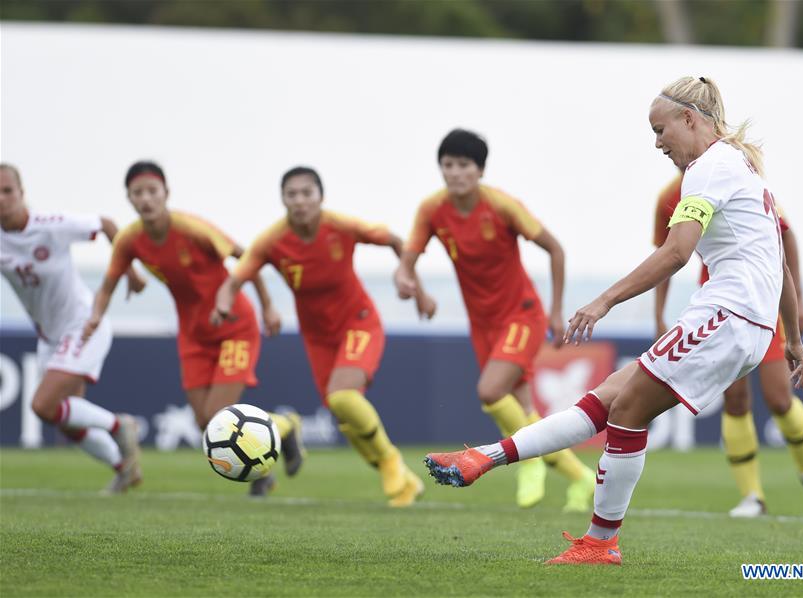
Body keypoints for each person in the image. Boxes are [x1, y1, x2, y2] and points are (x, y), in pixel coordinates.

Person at [424, 76, 803, 565]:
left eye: (659, 129)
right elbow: (777, 265)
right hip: (740, 321)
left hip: (727, 316)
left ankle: (600, 542)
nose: (657, 143)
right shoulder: (743, 170)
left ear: (689, 119)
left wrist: (603, 301)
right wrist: (793, 338)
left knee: (627, 413)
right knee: (606, 398)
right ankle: (483, 457)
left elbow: (675, 252)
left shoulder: (708, 169)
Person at [395, 129, 595, 511]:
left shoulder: (502, 206)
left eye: (463, 165)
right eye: (448, 165)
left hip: (521, 314)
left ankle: (530, 465)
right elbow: (406, 266)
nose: (455, 173)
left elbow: (555, 249)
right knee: (522, 411)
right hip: (482, 322)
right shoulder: (431, 209)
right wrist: (413, 288)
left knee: (489, 391)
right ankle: (579, 477)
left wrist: (555, 311)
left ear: (480, 170)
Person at [82, 161, 303, 497]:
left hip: (234, 326)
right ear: (129, 198)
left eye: (152, 191)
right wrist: (96, 315)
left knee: (218, 416)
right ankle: (266, 465)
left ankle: (286, 426)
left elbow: (248, 258)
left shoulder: (192, 229)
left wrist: (268, 305)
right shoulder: (130, 240)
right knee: (204, 423)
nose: (146, 199)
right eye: (137, 193)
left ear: (165, 194)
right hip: (193, 334)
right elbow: (108, 284)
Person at [214, 166, 426, 507]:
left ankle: (390, 461)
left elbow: (398, 242)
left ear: (320, 197)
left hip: (359, 322)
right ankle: (405, 481)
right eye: (291, 194)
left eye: (306, 193)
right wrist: (224, 303)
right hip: (317, 338)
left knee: (343, 397)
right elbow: (235, 280)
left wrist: (415, 286)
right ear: (283, 199)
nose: (299, 201)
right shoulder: (272, 240)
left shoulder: (341, 226)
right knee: (341, 412)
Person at [654, 174, 803, 518]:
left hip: (762, 298)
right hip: (718, 302)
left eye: (665, 133)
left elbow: (785, 236)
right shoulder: (669, 195)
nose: (663, 143)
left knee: (780, 398)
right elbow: (666, 253)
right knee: (734, 399)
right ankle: (753, 496)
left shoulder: (734, 175)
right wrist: (658, 316)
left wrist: (800, 301)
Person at [0, 163, 143, 493]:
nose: (3, 198)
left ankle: (120, 425)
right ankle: (124, 469)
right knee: (64, 419)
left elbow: (106, 225)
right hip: (49, 336)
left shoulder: (50, 226)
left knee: (42, 406)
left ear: (22, 194)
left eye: (8, 190)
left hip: (83, 324)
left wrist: (131, 273)